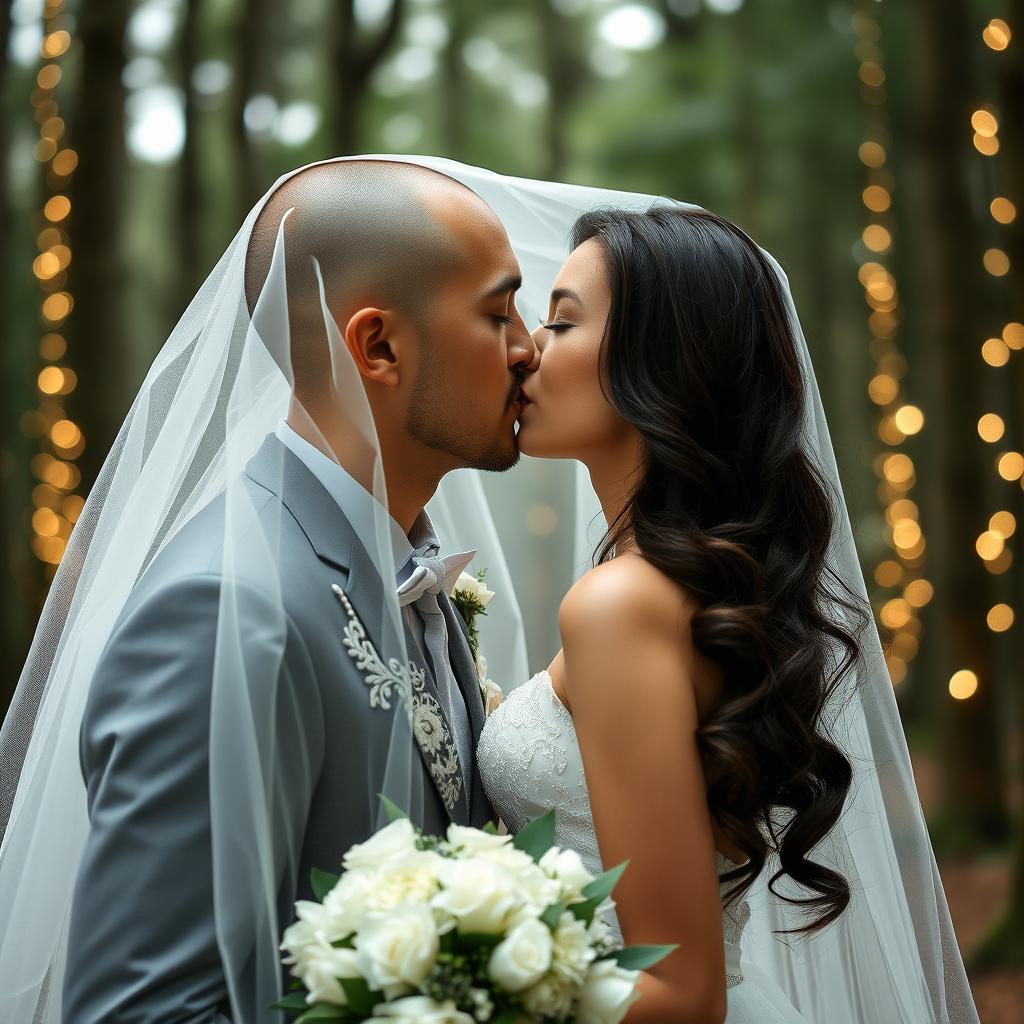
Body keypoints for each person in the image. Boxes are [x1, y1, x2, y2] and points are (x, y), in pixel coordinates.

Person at [477, 205, 981, 1023]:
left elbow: (681, 992)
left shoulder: (622, 603)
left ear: (662, 362)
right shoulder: (683, 592)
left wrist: (448, 994)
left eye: (562, 322)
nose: (529, 348)